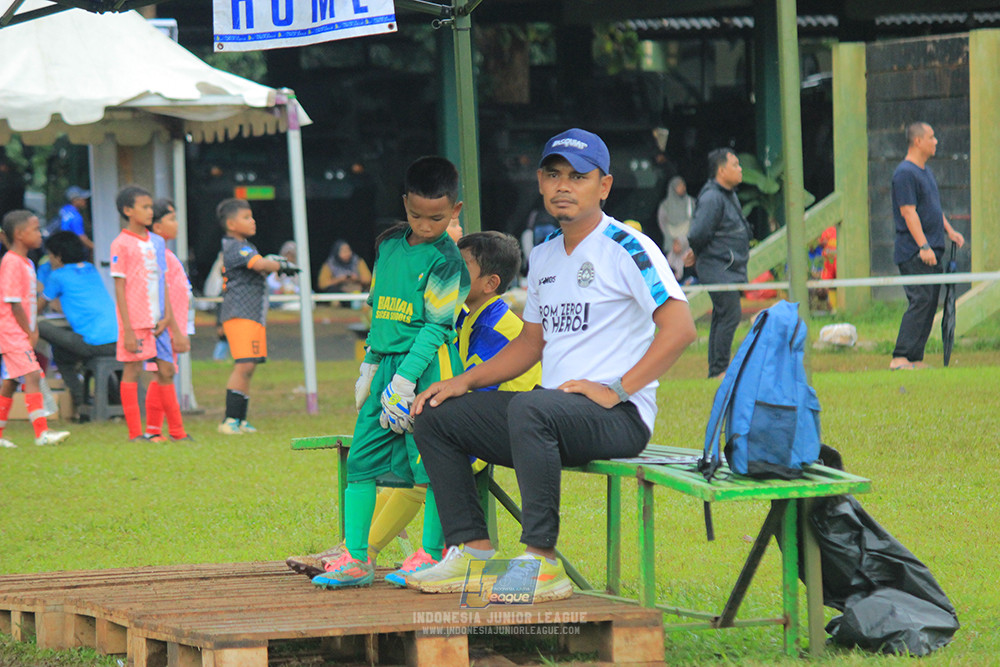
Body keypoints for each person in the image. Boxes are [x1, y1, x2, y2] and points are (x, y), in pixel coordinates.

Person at [406, 129, 696, 602]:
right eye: (554, 174)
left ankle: (541, 561)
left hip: (617, 417)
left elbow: (681, 329)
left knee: (532, 407)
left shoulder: (628, 247)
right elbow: (531, 344)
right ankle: (473, 553)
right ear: (540, 182)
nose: (564, 185)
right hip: (552, 415)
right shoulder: (542, 256)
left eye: (579, 176)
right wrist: (463, 382)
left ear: (603, 186)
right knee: (434, 414)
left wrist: (618, 389)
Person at [286, 229, 538, 584]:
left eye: (459, 265)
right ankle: (355, 552)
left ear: (490, 282)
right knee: (402, 461)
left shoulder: (502, 326)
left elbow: (475, 391)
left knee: (423, 466)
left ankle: (382, 554)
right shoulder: (464, 314)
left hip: (501, 428)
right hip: (469, 419)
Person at [310, 156, 470, 591]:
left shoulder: (447, 261)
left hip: (428, 368)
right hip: (386, 366)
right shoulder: (389, 247)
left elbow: (437, 326)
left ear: (455, 211)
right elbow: (378, 312)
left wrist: (405, 382)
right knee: (360, 461)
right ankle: (356, 559)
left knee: (431, 465)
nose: (424, 225)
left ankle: (430, 555)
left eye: (436, 218)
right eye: (416, 214)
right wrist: (370, 366)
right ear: (404, 204)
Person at [110, 186, 186, 442]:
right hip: (136, 322)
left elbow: (161, 281)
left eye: (151, 207)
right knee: (132, 370)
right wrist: (127, 328)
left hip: (159, 322)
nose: (150, 211)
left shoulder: (157, 243)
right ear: (128, 211)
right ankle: (135, 434)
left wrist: (167, 317)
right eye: (144, 207)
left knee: (166, 371)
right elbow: (119, 287)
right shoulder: (120, 243)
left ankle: (177, 432)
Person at [889, 122, 965, 370]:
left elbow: (932, 208)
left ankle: (914, 358)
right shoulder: (904, 173)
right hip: (915, 252)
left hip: (933, 249)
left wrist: (949, 231)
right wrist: (923, 246)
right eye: (931, 137)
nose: (936, 142)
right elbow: (909, 212)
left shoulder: (926, 173)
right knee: (920, 300)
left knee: (930, 302)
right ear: (918, 141)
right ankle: (900, 357)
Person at [216, 198, 295, 434]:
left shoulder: (244, 245)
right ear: (231, 223)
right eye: (246, 217)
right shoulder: (236, 246)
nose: (253, 221)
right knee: (244, 365)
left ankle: (240, 420)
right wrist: (280, 264)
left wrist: (276, 264)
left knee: (249, 366)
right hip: (240, 313)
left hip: (251, 315)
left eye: (252, 216)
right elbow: (259, 264)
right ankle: (230, 420)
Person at [0, 210, 71, 448]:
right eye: (36, 229)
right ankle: (42, 433)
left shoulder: (27, 262)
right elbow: (12, 301)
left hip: (20, 330)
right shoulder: (11, 262)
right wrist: (28, 331)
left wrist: (33, 330)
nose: (41, 234)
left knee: (11, 381)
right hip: (11, 331)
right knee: (31, 374)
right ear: (19, 234)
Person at [36, 232, 118, 420]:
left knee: (38, 325)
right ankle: (92, 402)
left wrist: (41, 291)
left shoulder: (58, 276)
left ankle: (83, 402)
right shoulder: (91, 269)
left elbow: (38, 309)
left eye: (50, 256)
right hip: (116, 339)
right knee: (61, 353)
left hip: (93, 343)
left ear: (58, 256)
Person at [685, 148, 752, 378]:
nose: (740, 169)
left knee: (723, 315)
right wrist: (696, 251)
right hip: (718, 267)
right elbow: (697, 233)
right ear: (722, 171)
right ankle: (720, 369)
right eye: (735, 165)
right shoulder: (712, 197)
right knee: (731, 314)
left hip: (728, 267)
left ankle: (716, 368)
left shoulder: (728, 194)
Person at [142, 199, 193, 441]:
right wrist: (176, 330)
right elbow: (162, 295)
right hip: (166, 327)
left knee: (163, 373)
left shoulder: (166, 253)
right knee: (162, 373)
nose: (177, 224)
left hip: (174, 326)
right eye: (172, 219)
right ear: (158, 226)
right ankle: (159, 431)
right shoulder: (158, 251)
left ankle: (161, 431)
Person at [657, 175, 694, 252]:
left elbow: (696, 221)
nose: (682, 187)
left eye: (683, 185)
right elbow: (662, 223)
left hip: (688, 244)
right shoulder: (665, 205)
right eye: (679, 186)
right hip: (671, 244)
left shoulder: (691, 202)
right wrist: (673, 241)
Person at [57, 186, 95, 253]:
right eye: (82, 198)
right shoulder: (75, 216)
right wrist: (96, 248)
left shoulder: (64, 210)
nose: (85, 200)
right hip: (68, 251)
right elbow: (81, 237)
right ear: (75, 200)